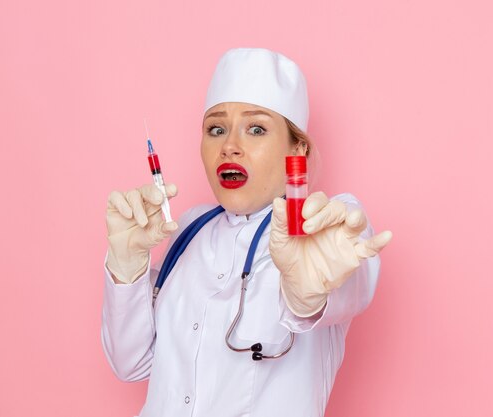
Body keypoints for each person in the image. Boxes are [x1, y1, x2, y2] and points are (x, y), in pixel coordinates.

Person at [101, 48, 392, 417]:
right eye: (216, 129)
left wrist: (308, 296)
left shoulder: (325, 226)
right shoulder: (187, 230)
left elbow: (351, 273)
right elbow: (132, 365)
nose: (229, 147)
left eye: (256, 129)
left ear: (297, 149)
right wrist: (126, 267)